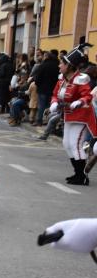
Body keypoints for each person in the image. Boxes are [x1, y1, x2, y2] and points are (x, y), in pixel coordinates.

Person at [50, 45, 97, 185]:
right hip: (69, 115)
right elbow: (55, 95)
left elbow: (88, 96)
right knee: (66, 144)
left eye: (61, 63)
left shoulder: (81, 79)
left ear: (69, 66)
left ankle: (82, 176)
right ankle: (77, 173)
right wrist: (53, 103)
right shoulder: (62, 79)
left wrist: (79, 102)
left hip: (82, 116)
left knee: (76, 144)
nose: (59, 65)